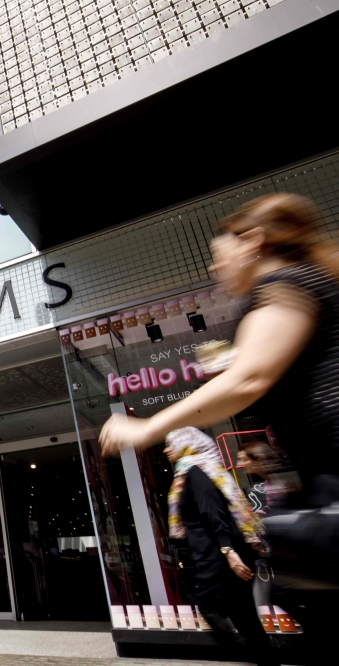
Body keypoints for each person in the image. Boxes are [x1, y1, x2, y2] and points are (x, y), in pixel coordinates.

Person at [99, 194, 339, 646]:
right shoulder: (303, 286)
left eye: (217, 254)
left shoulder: (287, 285)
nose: (214, 267)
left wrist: (148, 427)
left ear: (252, 241)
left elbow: (250, 377)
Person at [163, 428, 278, 666]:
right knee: (244, 616)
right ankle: (265, 661)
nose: (166, 450)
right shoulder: (193, 472)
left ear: (187, 444)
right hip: (219, 554)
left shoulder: (195, 472)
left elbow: (212, 513)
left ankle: (244, 655)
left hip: (217, 556)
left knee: (209, 605)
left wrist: (229, 552)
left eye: (170, 444)